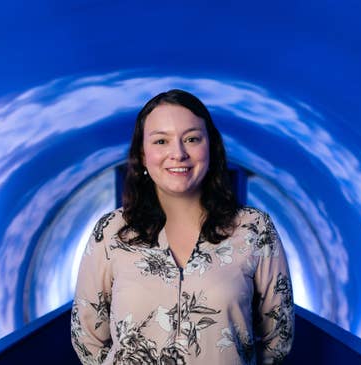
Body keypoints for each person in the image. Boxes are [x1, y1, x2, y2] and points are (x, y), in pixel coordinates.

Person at [71, 89, 294, 364]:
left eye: (191, 139)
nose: (177, 153)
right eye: (161, 141)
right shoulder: (111, 232)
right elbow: (87, 338)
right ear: (142, 154)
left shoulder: (255, 230)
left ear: (210, 146)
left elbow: (277, 337)